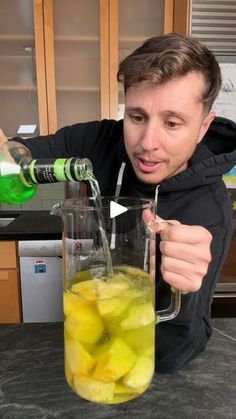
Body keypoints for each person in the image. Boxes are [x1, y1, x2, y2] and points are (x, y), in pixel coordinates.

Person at [1, 33, 236, 373]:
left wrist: (182, 292)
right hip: (85, 327)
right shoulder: (100, 139)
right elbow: (22, 159)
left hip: (144, 362)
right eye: (137, 117)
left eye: (172, 123)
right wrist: (6, 155)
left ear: (203, 127)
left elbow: (182, 345)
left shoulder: (208, 210)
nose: (147, 143)